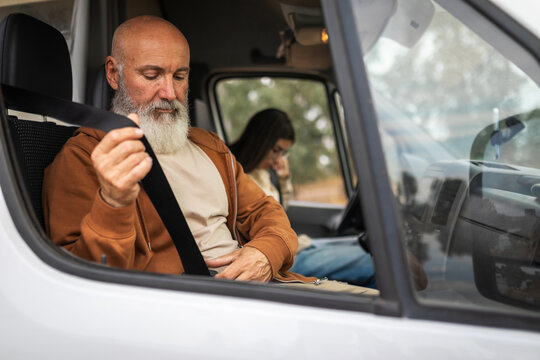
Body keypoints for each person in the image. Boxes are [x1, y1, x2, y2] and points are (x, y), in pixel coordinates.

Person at [42, 15, 378, 295]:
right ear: (114, 74)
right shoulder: (84, 159)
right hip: (200, 307)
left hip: (271, 285)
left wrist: (264, 252)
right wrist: (113, 203)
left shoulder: (209, 146)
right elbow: (83, 284)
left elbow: (267, 213)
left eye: (180, 76)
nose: (169, 93)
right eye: (151, 75)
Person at [230, 109, 377, 288]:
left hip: (297, 246)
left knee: (370, 253)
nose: (278, 159)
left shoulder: (264, 172)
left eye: (283, 152)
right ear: (260, 141)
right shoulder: (235, 174)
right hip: (280, 259)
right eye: (276, 150)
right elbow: (257, 225)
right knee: (377, 264)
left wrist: (283, 182)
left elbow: (277, 214)